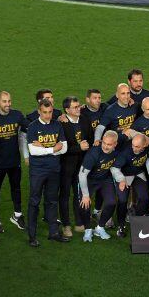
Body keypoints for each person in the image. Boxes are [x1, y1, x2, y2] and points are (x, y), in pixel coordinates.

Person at [25, 99, 69, 246]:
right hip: (38, 171)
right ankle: (32, 236)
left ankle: (54, 232)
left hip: (54, 170)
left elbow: (64, 148)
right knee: (34, 202)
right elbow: (33, 151)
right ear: (39, 111)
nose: (48, 115)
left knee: (52, 201)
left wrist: (43, 148)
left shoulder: (57, 125)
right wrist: (51, 149)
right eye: (44, 112)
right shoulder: (32, 127)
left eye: (50, 112)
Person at [0, 91, 27, 232]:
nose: (8, 104)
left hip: (15, 162)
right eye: (4, 101)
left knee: (16, 188)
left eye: (9, 101)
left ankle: (17, 214)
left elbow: (31, 126)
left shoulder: (17, 115)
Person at [78, 130, 119, 242]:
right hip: (89, 180)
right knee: (84, 204)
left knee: (111, 202)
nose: (105, 146)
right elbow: (82, 174)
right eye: (104, 143)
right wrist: (86, 195)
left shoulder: (118, 151)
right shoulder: (93, 153)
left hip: (105, 179)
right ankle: (87, 229)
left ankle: (99, 227)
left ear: (115, 144)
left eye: (109, 144)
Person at [59, 96, 90, 237]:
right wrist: (79, 147)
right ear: (67, 110)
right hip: (65, 166)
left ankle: (79, 222)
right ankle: (66, 225)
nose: (79, 109)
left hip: (81, 166)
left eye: (79, 106)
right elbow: (60, 149)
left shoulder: (84, 120)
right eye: (75, 107)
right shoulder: (61, 124)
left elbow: (89, 139)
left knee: (79, 194)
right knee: (65, 195)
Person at [111, 133, 149, 229]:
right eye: (133, 145)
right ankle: (121, 224)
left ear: (144, 145)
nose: (134, 148)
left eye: (137, 146)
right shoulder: (125, 152)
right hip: (124, 175)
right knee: (123, 199)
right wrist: (121, 179)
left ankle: (137, 217)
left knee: (144, 197)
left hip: (138, 174)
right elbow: (114, 168)